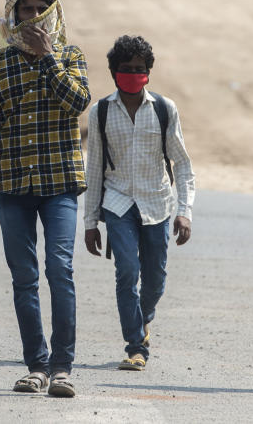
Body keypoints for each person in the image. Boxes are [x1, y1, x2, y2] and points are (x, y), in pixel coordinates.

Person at [0, 0, 90, 398]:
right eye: (25, 10)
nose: (34, 17)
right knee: (24, 276)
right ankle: (35, 365)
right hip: (14, 184)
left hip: (59, 183)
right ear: (13, 13)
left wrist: (48, 58)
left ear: (52, 11)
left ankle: (62, 368)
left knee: (60, 269)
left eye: (41, 9)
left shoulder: (71, 56)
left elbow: (77, 102)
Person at [82, 34, 195, 372]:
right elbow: (96, 168)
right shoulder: (100, 111)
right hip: (118, 205)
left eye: (139, 69)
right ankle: (135, 347)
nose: (133, 73)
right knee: (127, 271)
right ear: (114, 72)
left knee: (156, 278)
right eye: (126, 69)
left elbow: (183, 163)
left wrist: (185, 211)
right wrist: (90, 223)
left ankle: (142, 321)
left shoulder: (164, 109)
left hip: (158, 203)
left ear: (149, 72)